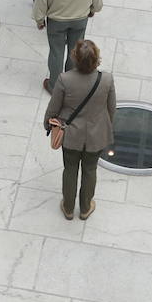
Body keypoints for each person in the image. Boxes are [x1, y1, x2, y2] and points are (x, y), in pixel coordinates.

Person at [44, 40, 116, 220]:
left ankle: (68, 208)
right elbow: (111, 108)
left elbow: (54, 107)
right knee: (90, 170)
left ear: (75, 57)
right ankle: (85, 208)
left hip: (71, 134)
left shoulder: (64, 79)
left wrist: (48, 124)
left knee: (70, 169)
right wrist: (105, 127)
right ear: (97, 58)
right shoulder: (106, 79)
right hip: (96, 135)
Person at [33, 0, 103, 93]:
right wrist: (94, 8)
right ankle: (71, 84)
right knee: (75, 51)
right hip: (80, 18)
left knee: (56, 52)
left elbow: (41, 1)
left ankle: (55, 86)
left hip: (57, 20)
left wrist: (39, 19)